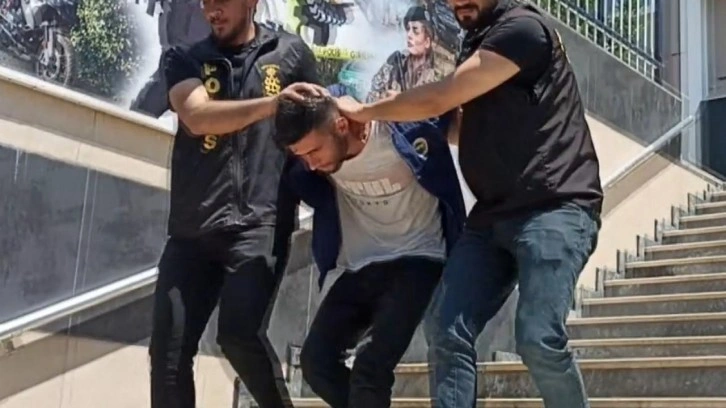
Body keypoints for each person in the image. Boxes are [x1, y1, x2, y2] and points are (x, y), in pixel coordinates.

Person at [334, 0, 604, 407]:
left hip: (554, 206)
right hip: (492, 215)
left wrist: (368, 110)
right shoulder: (477, 41)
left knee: (538, 338)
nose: (457, 2)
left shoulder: (524, 29)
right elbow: (460, 125)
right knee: (445, 329)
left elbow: (442, 96)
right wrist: (408, 113)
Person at [147, 0, 324, 407]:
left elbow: (319, 124)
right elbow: (197, 116)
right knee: (168, 355)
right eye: (206, 2)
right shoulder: (184, 58)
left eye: (222, 1)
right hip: (192, 232)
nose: (213, 10)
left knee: (238, 335)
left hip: (260, 223)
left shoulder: (290, 53)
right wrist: (274, 105)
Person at [273, 92, 466, 408]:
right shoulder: (312, 151)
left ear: (340, 125)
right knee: (316, 363)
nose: (311, 164)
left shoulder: (398, 129)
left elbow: (450, 111)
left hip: (420, 259)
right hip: (362, 265)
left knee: (370, 367)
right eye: (302, 156)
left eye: (315, 151)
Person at [367, 5, 438, 102]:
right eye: (408, 29)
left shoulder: (437, 75)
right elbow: (372, 95)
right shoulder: (396, 62)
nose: (409, 35)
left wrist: (402, 101)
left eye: (415, 31)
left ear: (427, 41)